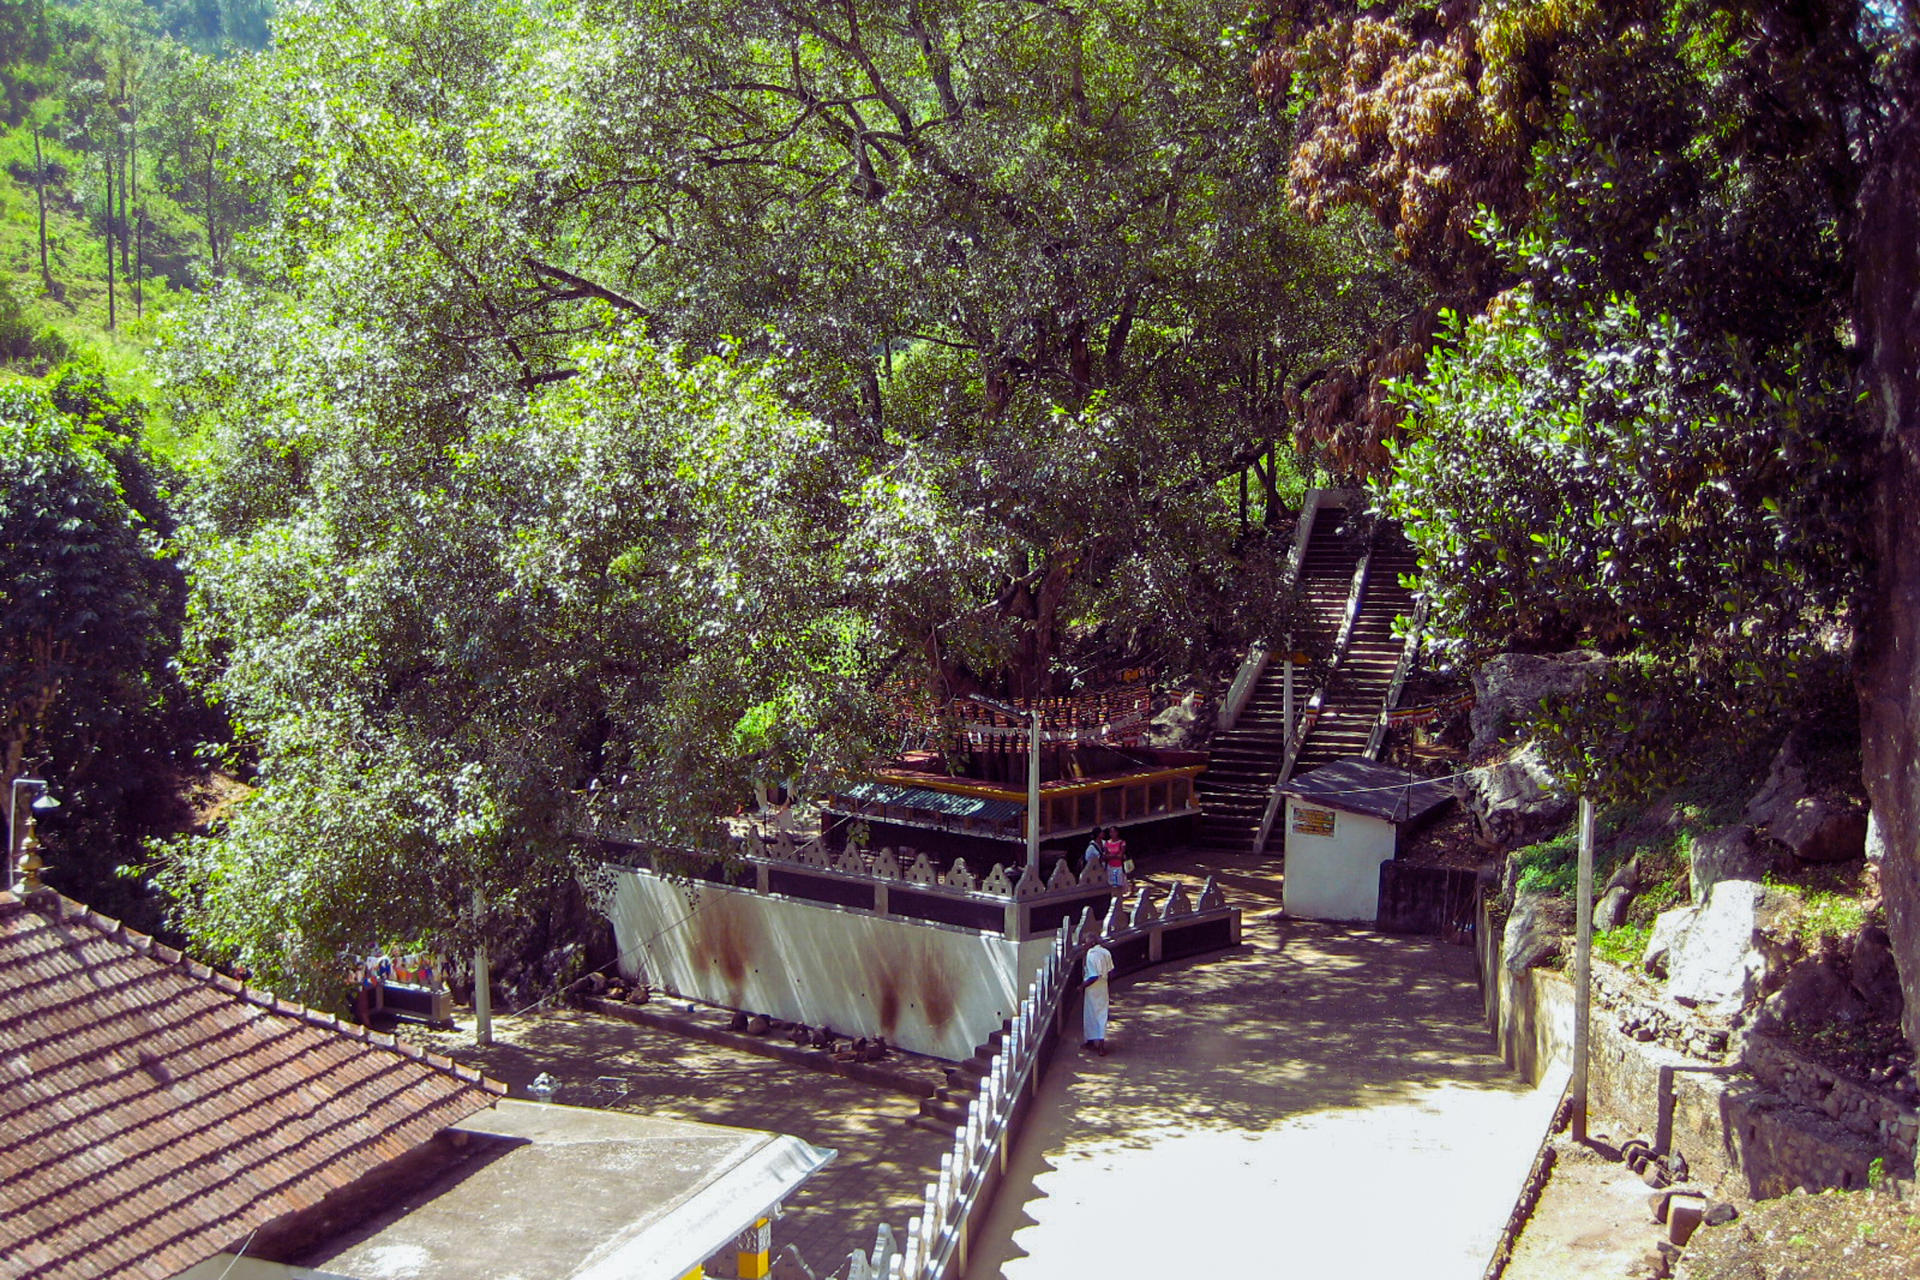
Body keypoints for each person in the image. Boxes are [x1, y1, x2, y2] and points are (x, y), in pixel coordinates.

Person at [1082, 936, 1115, 1055]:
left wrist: (1082, 986)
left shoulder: (1091, 954)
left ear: (1092, 943)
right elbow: (1111, 972)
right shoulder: (1106, 952)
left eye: (1085, 943)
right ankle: (1100, 1045)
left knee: (1090, 1014)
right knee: (1102, 1015)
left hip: (1092, 988)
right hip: (1103, 986)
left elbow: (1093, 976)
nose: (1083, 946)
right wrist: (1107, 985)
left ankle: (1091, 1042)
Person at [1102, 825, 1128, 893]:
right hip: (1110, 867)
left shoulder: (1122, 842)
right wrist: (1115, 855)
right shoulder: (1107, 843)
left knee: (1120, 885)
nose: (1112, 834)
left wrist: (1111, 856)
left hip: (1119, 867)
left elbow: (1120, 856)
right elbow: (1105, 856)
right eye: (1111, 832)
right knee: (1111, 884)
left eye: (1114, 832)